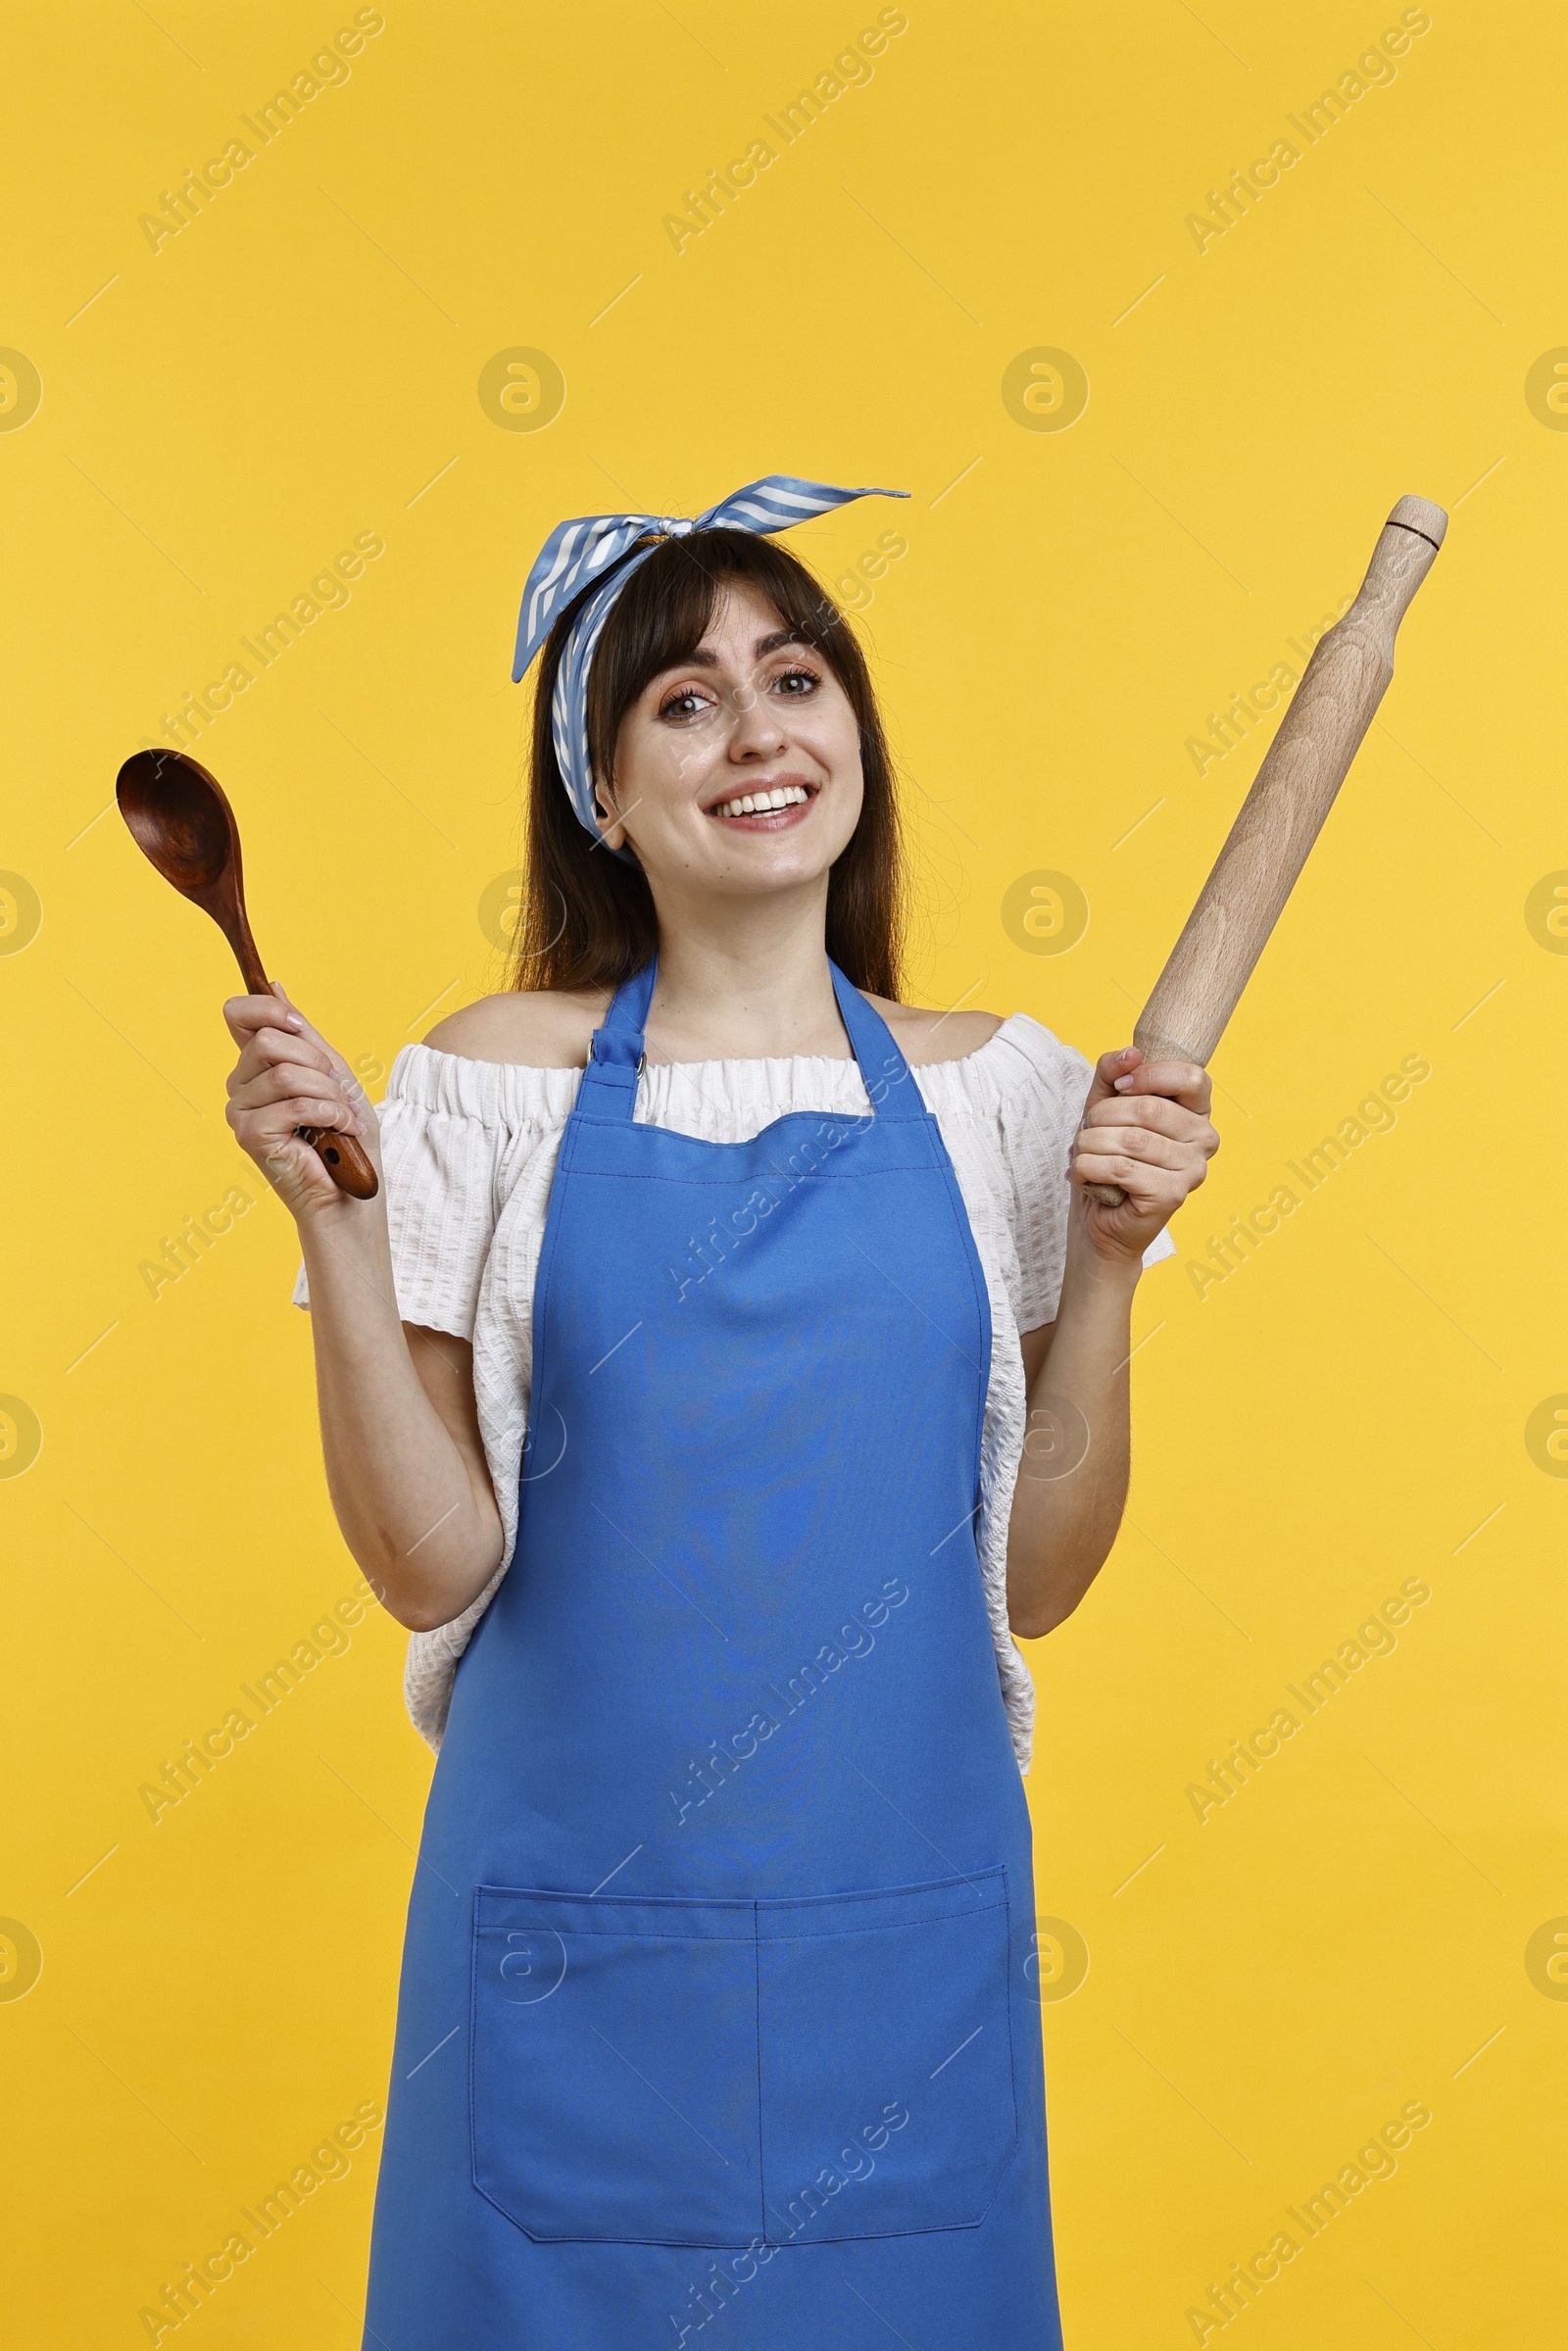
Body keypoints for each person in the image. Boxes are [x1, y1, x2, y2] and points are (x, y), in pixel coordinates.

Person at [222, 476, 1217, 2346]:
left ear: (856, 732)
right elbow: (432, 1568)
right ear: (605, 793)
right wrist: (343, 1244)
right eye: (682, 700)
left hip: (895, 1974)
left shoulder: (1001, 1097)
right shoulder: (487, 1084)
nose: (759, 731)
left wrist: (1105, 1265)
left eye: (796, 676)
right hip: (563, 1972)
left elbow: (1044, 1582)